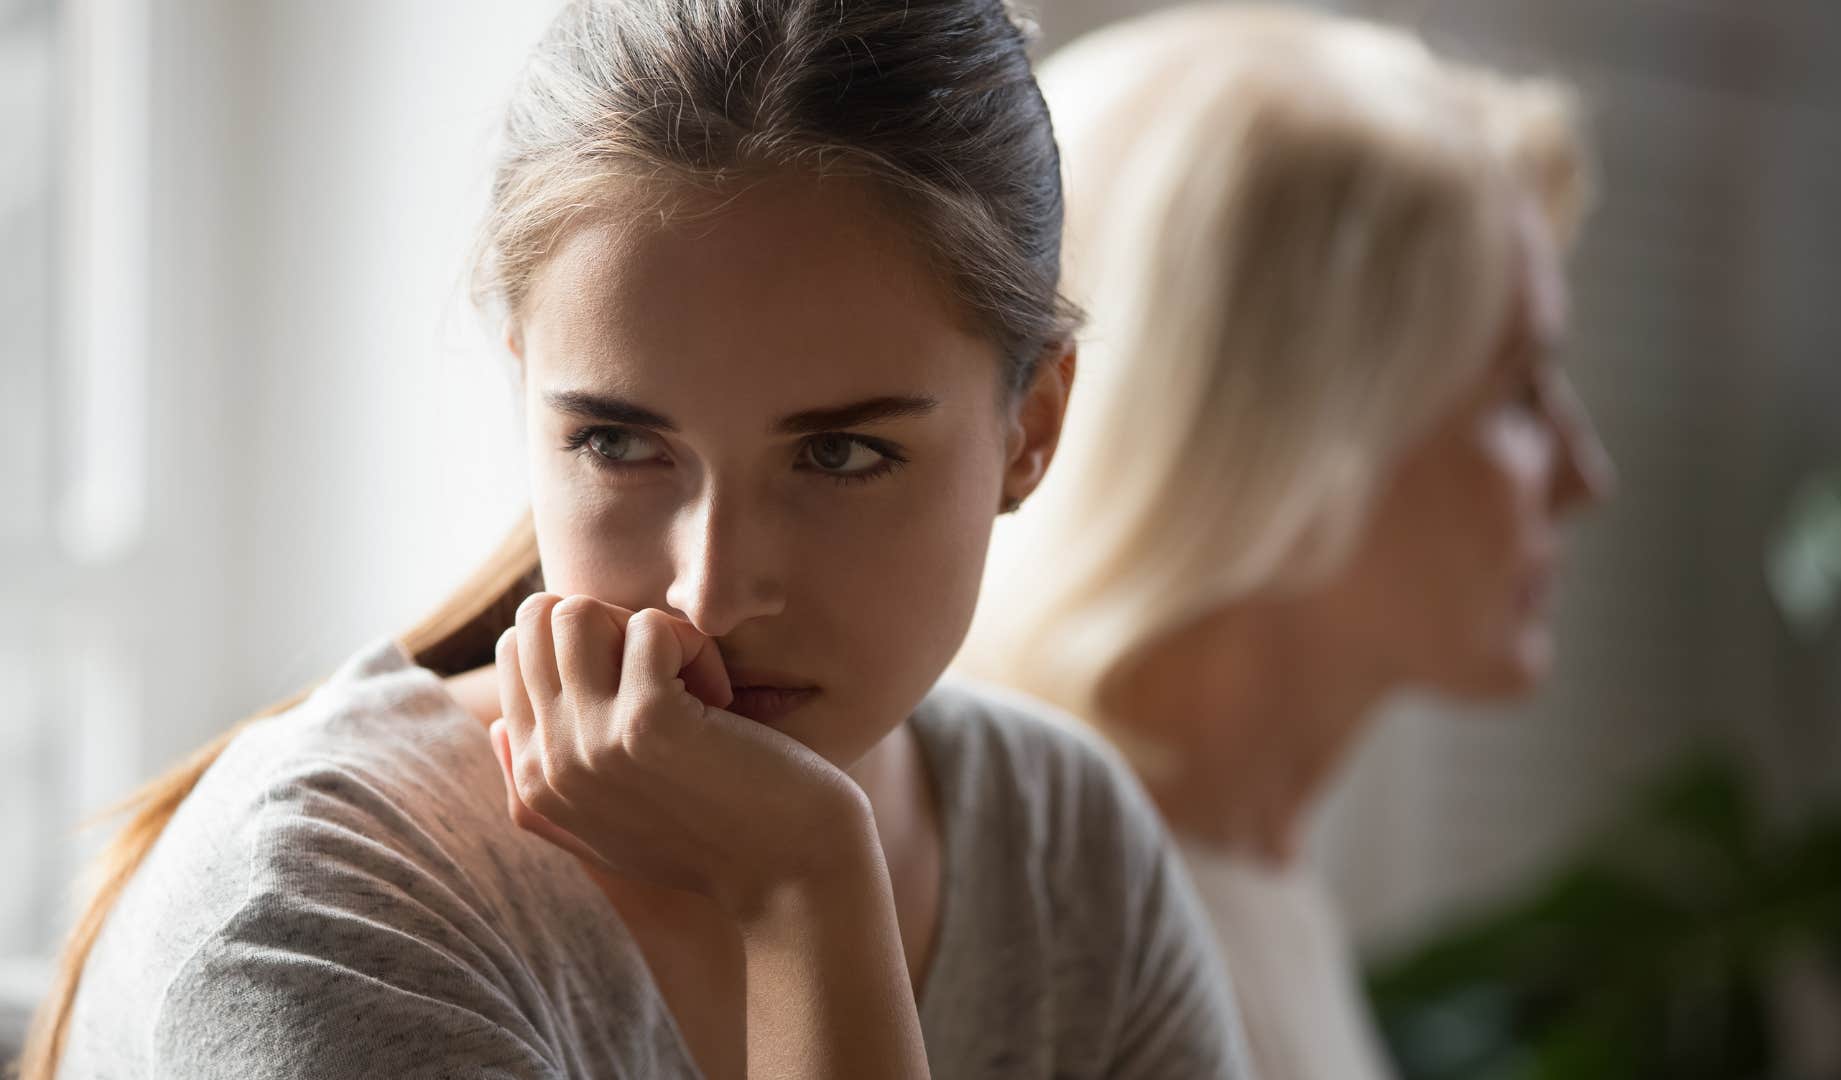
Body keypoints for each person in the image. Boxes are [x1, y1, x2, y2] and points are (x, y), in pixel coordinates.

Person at [20, 2, 1251, 1077]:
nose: (709, 592)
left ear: (1030, 430)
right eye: (617, 442)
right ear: (527, 399)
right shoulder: (315, 912)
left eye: (840, 453)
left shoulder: (1055, 838)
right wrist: (802, 889)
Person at [961, 6, 1617, 1077]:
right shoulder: (1053, 928)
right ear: (1289, 434)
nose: (1586, 478)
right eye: (1517, 392)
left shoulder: (1242, 876)